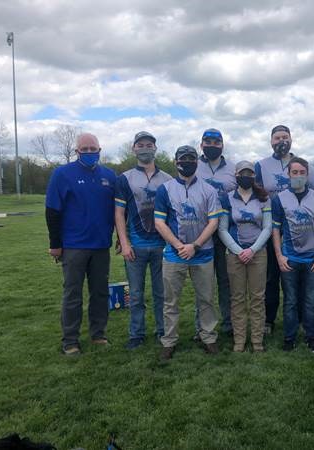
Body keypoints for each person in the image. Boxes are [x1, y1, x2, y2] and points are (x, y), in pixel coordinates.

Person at [45, 133, 116, 356]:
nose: (88, 152)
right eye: (84, 149)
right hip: (73, 246)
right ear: (77, 151)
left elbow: (118, 211)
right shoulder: (62, 174)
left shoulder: (109, 176)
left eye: (92, 148)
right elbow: (52, 211)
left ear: (99, 150)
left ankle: (98, 334)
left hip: (101, 246)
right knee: (72, 294)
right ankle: (70, 340)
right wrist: (55, 244)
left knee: (100, 293)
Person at [154, 145, 223, 360]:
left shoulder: (209, 190)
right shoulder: (164, 189)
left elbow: (214, 222)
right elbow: (159, 222)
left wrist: (195, 246)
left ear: (197, 162)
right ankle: (169, 341)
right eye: (183, 159)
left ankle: (208, 337)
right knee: (170, 301)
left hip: (203, 252)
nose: (187, 162)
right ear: (176, 162)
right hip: (174, 254)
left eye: (191, 159)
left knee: (206, 299)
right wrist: (179, 246)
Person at [254, 125, 314, 335]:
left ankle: (301, 319)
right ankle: (269, 320)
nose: (281, 141)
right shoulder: (261, 165)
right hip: (273, 227)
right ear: (271, 141)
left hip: (300, 229)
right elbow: (256, 195)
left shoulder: (301, 165)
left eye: (285, 137)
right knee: (272, 277)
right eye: (277, 138)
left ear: (291, 139)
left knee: (300, 276)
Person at [115, 131, 172, 350]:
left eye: (149, 144)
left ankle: (162, 331)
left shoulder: (167, 179)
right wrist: (125, 242)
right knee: (136, 294)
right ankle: (136, 333)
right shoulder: (125, 178)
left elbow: (172, 213)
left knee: (161, 293)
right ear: (134, 148)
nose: (145, 148)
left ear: (155, 149)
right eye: (141, 145)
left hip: (161, 245)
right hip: (135, 246)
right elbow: (119, 213)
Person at [272, 157, 314, 353]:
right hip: (290, 258)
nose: (298, 176)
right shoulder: (279, 198)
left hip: (311, 258)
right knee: (290, 300)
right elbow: (276, 230)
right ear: (288, 175)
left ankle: (311, 337)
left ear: (307, 174)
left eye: (301, 173)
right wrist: (279, 256)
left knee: (310, 300)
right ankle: (289, 337)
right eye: (294, 173)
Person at [218, 161, 272, 352]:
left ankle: (257, 341)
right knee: (238, 298)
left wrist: (252, 250)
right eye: (242, 173)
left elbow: (267, 227)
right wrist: (238, 250)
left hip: (258, 253)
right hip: (235, 255)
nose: (246, 176)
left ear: (253, 176)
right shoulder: (226, 199)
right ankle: (239, 341)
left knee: (258, 297)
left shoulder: (263, 197)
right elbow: (222, 229)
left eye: (249, 173)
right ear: (236, 175)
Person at [195, 128, 236, 336]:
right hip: (200, 231)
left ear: (222, 144)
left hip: (226, 230)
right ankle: (201, 326)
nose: (212, 145)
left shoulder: (233, 168)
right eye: (207, 141)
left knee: (225, 280)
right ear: (201, 144)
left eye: (216, 141)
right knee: (202, 282)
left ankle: (229, 324)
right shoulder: (194, 165)